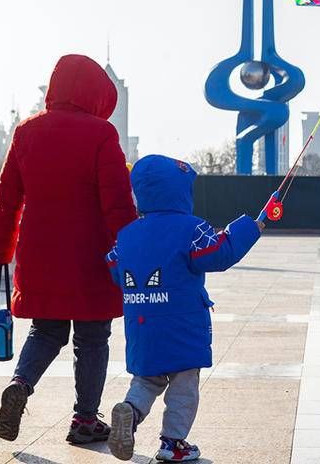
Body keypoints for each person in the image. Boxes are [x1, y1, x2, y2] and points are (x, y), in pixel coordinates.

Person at [0, 55, 138, 444]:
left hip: (40, 256)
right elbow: (118, 205)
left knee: (45, 330)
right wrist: (135, 249)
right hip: (91, 257)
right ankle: (85, 419)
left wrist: (1, 251)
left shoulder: (26, 132)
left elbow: (7, 201)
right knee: (92, 339)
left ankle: (20, 383)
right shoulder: (101, 135)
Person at [106, 155, 263, 462]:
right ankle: (173, 443)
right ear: (180, 191)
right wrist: (251, 226)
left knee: (148, 378)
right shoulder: (192, 229)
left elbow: (113, 265)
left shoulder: (127, 235)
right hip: (182, 324)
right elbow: (220, 253)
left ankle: (131, 411)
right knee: (183, 383)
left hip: (142, 324)